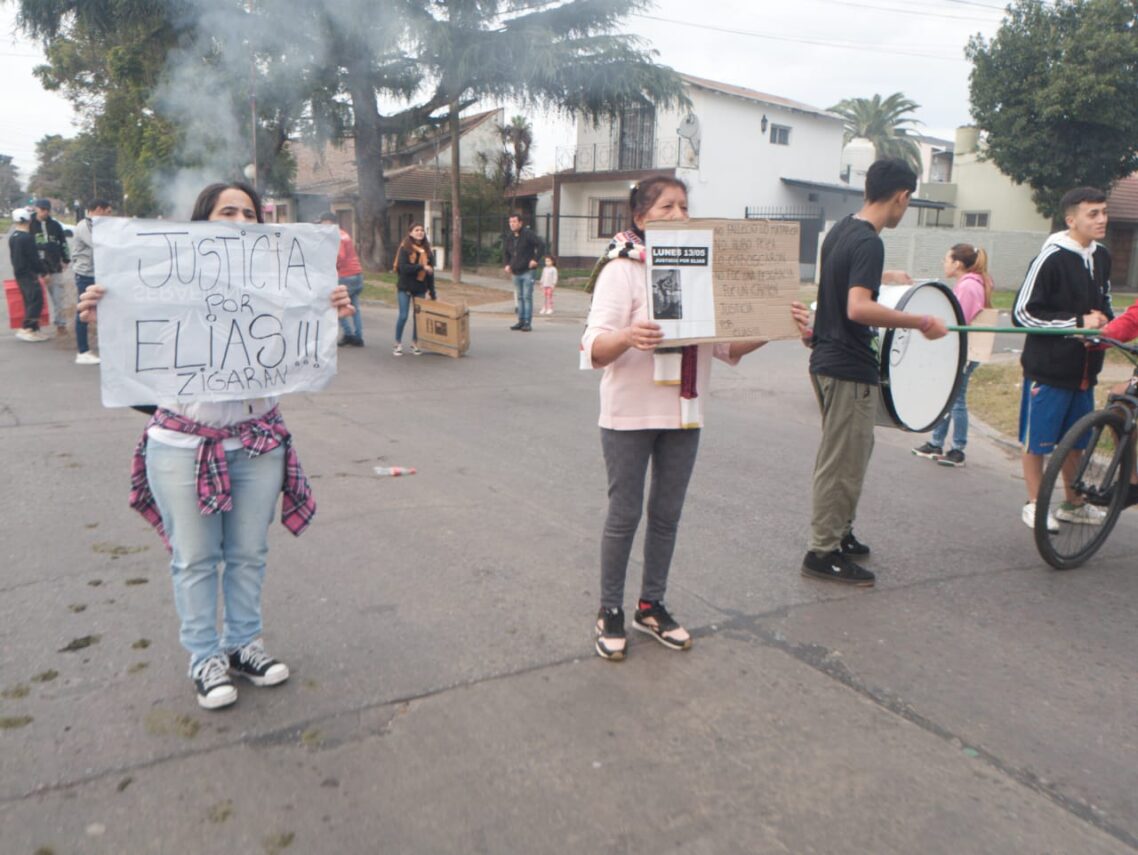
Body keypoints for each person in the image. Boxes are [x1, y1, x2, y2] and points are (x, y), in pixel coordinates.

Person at [77, 181, 353, 710]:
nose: (242, 219)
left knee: (249, 553)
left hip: (258, 441)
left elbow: (295, 358)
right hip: (183, 445)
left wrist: (328, 315)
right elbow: (142, 364)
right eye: (229, 210)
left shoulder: (280, 284)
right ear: (201, 221)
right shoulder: (158, 282)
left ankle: (244, 645)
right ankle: (204, 657)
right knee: (196, 558)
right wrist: (107, 314)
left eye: (250, 212)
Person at [582, 175, 769, 661]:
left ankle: (652, 605)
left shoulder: (701, 273)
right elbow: (594, 347)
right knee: (624, 516)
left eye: (684, 206)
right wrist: (629, 336)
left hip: (684, 411)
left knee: (666, 515)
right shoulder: (621, 270)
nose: (680, 215)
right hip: (628, 413)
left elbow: (728, 348)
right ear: (641, 218)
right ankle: (609, 611)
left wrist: (776, 326)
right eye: (667, 207)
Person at [802, 158, 947, 587]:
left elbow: (840, 277)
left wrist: (886, 276)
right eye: (909, 201)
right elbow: (858, 307)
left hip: (827, 361)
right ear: (901, 196)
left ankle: (839, 533)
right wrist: (921, 321)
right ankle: (821, 551)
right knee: (841, 462)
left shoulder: (842, 229)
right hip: (847, 366)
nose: (906, 208)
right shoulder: (869, 240)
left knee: (852, 456)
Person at [1013, 186, 1112, 532]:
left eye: (1104, 212)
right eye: (1093, 214)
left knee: (1076, 441)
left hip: (1084, 370)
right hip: (1048, 368)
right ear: (1071, 220)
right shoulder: (1050, 258)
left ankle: (1074, 503)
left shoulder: (1102, 256)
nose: (1102, 219)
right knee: (1037, 440)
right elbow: (1022, 314)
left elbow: (1105, 300)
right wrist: (1077, 324)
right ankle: (1035, 505)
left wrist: (1106, 327)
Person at [911, 243, 994, 467]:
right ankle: (936, 443)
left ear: (957, 263)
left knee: (957, 400)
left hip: (965, 352)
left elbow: (959, 321)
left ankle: (957, 449)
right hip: (961, 351)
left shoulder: (968, 286)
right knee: (948, 396)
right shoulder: (971, 283)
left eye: (946, 259)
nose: (943, 263)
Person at [70, 198, 113, 365]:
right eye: (108, 212)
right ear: (99, 209)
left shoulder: (94, 224)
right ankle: (83, 351)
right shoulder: (84, 226)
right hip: (86, 274)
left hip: (95, 274)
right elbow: (99, 245)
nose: (110, 215)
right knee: (84, 312)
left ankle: (98, 347)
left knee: (98, 311)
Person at [318, 212, 365, 347]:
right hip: (357, 273)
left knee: (338, 304)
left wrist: (328, 267)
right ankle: (358, 336)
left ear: (329, 223)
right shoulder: (344, 233)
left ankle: (348, 334)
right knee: (354, 307)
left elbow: (340, 256)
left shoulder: (336, 236)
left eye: (323, 223)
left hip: (345, 275)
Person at [29, 198, 71, 336]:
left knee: (58, 297)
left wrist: (65, 258)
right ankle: (33, 327)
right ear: (36, 208)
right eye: (42, 209)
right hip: (35, 267)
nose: (44, 212)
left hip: (54, 266)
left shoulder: (55, 225)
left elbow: (63, 242)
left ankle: (61, 324)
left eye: (47, 209)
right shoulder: (29, 224)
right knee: (35, 300)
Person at [393, 223, 436, 356]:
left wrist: (432, 292)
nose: (420, 232)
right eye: (416, 230)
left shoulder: (428, 251)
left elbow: (430, 274)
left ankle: (415, 343)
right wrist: (422, 267)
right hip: (405, 286)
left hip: (420, 288)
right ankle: (397, 343)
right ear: (410, 233)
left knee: (418, 317)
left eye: (422, 230)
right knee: (403, 315)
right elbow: (403, 268)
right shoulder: (404, 248)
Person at [8, 207, 48, 342]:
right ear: (28, 220)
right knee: (36, 300)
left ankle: (34, 329)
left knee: (29, 300)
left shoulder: (13, 237)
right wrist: (43, 271)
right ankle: (27, 328)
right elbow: (34, 258)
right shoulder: (27, 238)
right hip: (29, 273)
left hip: (19, 273)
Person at [503, 212, 542, 331]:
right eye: (510, 222)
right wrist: (507, 264)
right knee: (519, 297)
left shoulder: (528, 234)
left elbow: (541, 244)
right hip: (516, 271)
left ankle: (527, 322)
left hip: (528, 271)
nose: (512, 224)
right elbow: (506, 252)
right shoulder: (510, 236)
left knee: (527, 297)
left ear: (520, 222)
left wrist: (535, 260)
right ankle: (520, 321)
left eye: (514, 222)